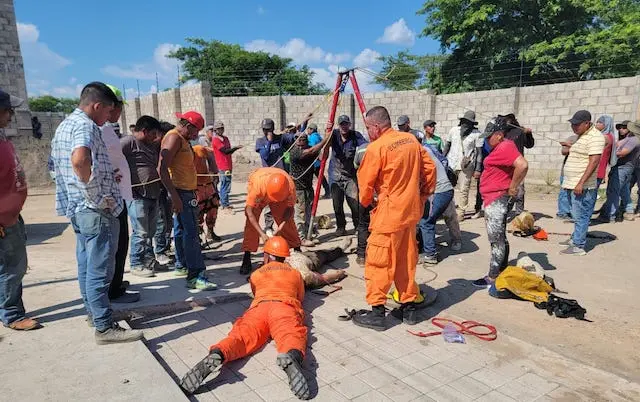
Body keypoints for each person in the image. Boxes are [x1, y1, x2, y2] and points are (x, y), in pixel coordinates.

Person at [51, 82, 143, 343]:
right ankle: (104, 327)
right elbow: (80, 161)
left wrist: (100, 177)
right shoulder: (85, 125)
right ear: (97, 106)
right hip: (94, 210)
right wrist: (97, 194)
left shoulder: (64, 125)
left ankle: (94, 314)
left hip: (79, 209)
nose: (107, 119)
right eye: (107, 112)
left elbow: (62, 167)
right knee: (101, 269)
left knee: (86, 264)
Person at [180, 236, 311, 400]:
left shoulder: (256, 274)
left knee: (241, 337)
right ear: (284, 256)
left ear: (267, 255)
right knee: (290, 334)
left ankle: (220, 352)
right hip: (283, 307)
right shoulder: (294, 273)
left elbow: (255, 293)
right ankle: (292, 355)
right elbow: (300, 297)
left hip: (259, 308)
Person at [353, 106, 436, 331]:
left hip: (388, 215)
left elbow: (365, 185)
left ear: (377, 127)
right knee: (405, 261)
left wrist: (367, 203)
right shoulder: (410, 141)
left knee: (378, 263)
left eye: (368, 127)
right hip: (410, 214)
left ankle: (378, 313)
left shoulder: (377, 147)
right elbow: (430, 171)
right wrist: (421, 197)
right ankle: (408, 310)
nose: (368, 132)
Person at [158, 111, 217, 290]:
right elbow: (161, 168)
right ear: (187, 125)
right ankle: (196, 275)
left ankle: (182, 265)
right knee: (192, 234)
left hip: (185, 191)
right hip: (182, 193)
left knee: (182, 231)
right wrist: (175, 196)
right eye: (195, 131)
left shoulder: (181, 140)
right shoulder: (174, 138)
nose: (195, 135)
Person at [471, 117, 528, 288]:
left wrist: (513, 187)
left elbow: (522, 165)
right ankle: (500, 270)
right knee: (500, 237)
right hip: (494, 197)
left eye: (489, 137)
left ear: (499, 135)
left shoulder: (505, 146)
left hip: (497, 198)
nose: (487, 140)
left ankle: (493, 276)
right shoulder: (503, 146)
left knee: (496, 240)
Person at [0, 89, 40, 331]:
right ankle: (12, 314)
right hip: (3, 219)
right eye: (7, 110)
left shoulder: (2, 137)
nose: (11, 115)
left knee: (14, 265)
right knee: (12, 266)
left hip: (12, 214)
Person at [101, 85, 138, 303]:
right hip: (110, 199)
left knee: (121, 242)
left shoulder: (106, 129)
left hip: (118, 197)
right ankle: (112, 290)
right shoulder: (98, 130)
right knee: (115, 245)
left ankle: (116, 282)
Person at [122, 116, 163, 278]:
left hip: (153, 193)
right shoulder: (128, 143)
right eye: (153, 134)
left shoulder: (151, 145)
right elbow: (113, 161)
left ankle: (148, 260)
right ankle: (136, 263)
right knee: (140, 231)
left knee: (150, 231)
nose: (155, 137)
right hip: (137, 195)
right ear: (144, 131)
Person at [560, 110, 604, 256]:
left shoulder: (595, 137)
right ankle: (575, 238)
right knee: (576, 214)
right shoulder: (582, 136)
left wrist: (581, 183)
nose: (574, 127)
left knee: (581, 216)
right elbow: (581, 154)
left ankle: (578, 246)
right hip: (572, 183)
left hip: (582, 186)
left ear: (587, 123)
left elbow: (594, 161)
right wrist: (569, 146)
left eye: (576, 125)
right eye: (572, 124)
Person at [240, 168, 301, 274]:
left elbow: (290, 209)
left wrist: (281, 226)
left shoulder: (290, 187)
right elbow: (249, 212)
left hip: (278, 191)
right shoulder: (258, 188)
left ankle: (297, 249)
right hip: (261, 188)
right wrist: (262, 234)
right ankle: (247, 255)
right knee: (251, 225)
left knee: (288, 222)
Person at [289, 130, 330, 245]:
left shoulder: (310, 149)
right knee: (300, 214)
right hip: (298, 188)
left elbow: (322, 158)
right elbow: (311, 151)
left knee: (309, 212)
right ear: (296, 141)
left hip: (308, 186)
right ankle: (301, 238)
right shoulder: (295, 152)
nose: (301, 141)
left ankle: (308, 235)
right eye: (299, 139)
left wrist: (325, 148)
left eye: (304, 139)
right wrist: (325, 140)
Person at [329, 114, 368, 236]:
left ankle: (357, 226)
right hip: (335, 174)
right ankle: (341, 227)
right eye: (341, 124)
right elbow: (325, 144)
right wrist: (327, 131)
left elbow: (366, 146)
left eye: (346, 124)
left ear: (349, 125)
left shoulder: (355, 135)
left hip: (350, 175)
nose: (344, 126)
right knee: (337, 204)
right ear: (338, 126)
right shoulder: (334, 134)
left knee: (354, 203)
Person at [417, 144, 456, 265]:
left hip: (440, 191)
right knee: (426, 218)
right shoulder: (427, 149)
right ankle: (425, 249)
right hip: (444, 190)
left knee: (426, 221)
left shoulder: (418, 154)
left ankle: (430, 255)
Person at [443, 110, 483, 221]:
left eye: (469, 123)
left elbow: (479, 153)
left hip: (467, 166)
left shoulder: (477, 134)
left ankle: (460, 213)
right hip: (451, 164)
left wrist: (478, 169)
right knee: (447, 188)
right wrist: (441, 160)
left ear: (472, 124)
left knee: (463, 189)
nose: (466, 125)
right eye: (465, 122)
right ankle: (446, 209)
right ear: (462, 122)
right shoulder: (453, 131)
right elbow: (447, 146)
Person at [602, 120, 640, 222]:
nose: (621, 130)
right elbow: (618, 144)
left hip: (623, 168)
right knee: (624, 191)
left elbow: (623, 153)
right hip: (625, 168)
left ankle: (610, 216)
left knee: (614, 192)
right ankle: (629, 211)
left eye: (624, 128)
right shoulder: (630, 138)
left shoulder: (634, 140)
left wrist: (610, 152)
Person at [287, 237, 354, 288]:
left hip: (296, 255)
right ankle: (340, 249)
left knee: (320, 253)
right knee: (325, 255)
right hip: (310, 259)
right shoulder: (303, 274)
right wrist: (338, 275)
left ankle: (337, 250)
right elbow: (321, 279)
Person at [501, 113, 535, 214]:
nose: (505, 122)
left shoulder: (519, 132)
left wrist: (528, 134)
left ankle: (519, 214)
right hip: (505, 167)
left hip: (518, 166)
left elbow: (529, 145)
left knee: (519, 192)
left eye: (507, 120)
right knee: (505, 191)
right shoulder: (502, 133)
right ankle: (505, 211)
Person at [154, 121, 176, 266]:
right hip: (157, 190)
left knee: (168, 220)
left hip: (167, 188)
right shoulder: (155, 148)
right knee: (161, 222)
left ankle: (166, 247)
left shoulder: (165, 148)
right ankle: (160, 251)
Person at [209, 121, 241, 212]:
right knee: (225, 185)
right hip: (222, 165)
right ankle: (225, 204)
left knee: (227, 184)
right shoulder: (216, 140)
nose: (221, 130)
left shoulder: (225, 138)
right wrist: (236, 148)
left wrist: (234, 149)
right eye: (219, 129)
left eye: (222, 128)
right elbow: (225, 151)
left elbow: (228, 150)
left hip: (228, 164)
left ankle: (225, 203)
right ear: (215, 130)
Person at [192, 144, 220, 242]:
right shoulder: (181, 151)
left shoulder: (199, 149)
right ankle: (198, 234)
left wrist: (214, 172)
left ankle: (210, 232)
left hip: (208, 184)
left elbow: (211, 156)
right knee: (198, 211)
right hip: (195, 186)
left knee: (213, 207)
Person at [353, 143, 371, 267]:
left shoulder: (361, 148)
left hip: (364, 192)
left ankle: (361, 256)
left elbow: (355, 165)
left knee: (363, 225)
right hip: (380, 194)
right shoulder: (385, 147)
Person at [557, 134, 578, 220]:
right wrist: (570, 147)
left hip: (579, 172)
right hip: (567, 171)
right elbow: (564, 152)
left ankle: (574, 213)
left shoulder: (589, 139)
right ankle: (563, 212)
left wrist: (572, 147)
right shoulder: (572, 138)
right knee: (565, 192)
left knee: (575, 194)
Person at [306, 123, 330, 198]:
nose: (307, 130)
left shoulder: (313, 138)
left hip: (314, 162)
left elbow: (313, 149)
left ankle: (311, 195)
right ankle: (327, 191)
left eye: (308, 129)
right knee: (321, 177)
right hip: (317, 161)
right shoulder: (317, 136)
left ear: (312, 129)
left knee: (310, 179)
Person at [594, 115, 616, 189]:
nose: (597, 124)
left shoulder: (605, 137)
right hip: (597, 168)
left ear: (606, 124)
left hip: (596, 169)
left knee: (589, 194)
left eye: (600, 122)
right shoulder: (609, 136)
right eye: (597, 122)